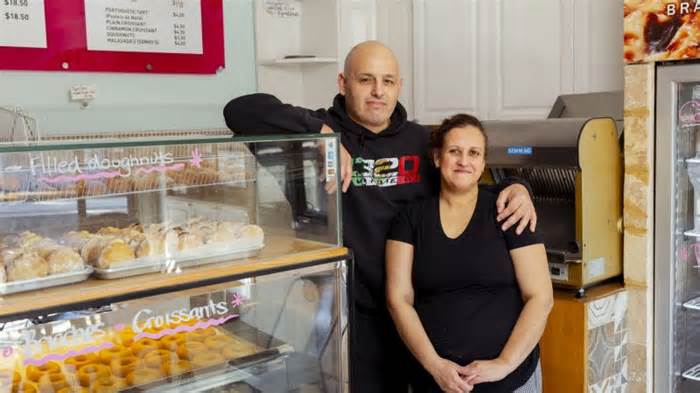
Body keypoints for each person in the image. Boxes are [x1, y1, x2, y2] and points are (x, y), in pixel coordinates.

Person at [223, 41, 537, 392]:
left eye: (388, 81)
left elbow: (467, 182)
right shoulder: (316, 132)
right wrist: (320, 133)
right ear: (343, 83)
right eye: (366, 80)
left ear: (399, 86)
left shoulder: (421, 140)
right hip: (353, 318)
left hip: (420, 315)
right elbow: (239, 110)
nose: (377, 92)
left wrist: (516, 186)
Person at [385, 114, 553, 393]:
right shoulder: (410, 219)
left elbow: (541, 297)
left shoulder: (510, 212)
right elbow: (398, 299)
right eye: (454, 151)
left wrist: (504, 363)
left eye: (474, 153)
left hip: (510, 382)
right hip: (434, 381)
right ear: (437, 158)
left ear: (484, 162)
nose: (464, 161)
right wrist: (435, 365)